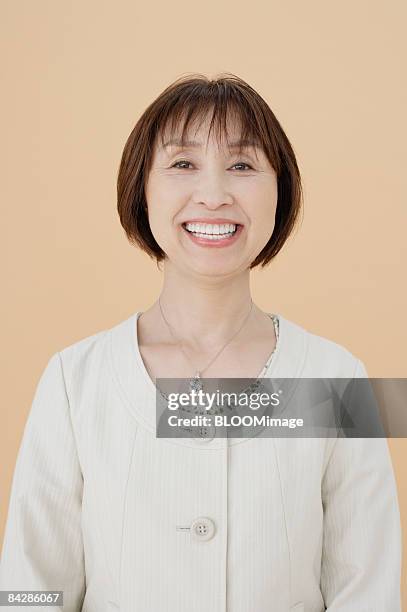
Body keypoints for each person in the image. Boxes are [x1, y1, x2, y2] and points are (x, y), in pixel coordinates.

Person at [0, 73, 401, 612]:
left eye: (242, 165)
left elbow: (367, 590)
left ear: (281, 192)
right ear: (141, 189)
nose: (213, 195)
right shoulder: (76, 380)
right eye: (183, 164)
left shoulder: (336, 379)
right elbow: (31, 588)